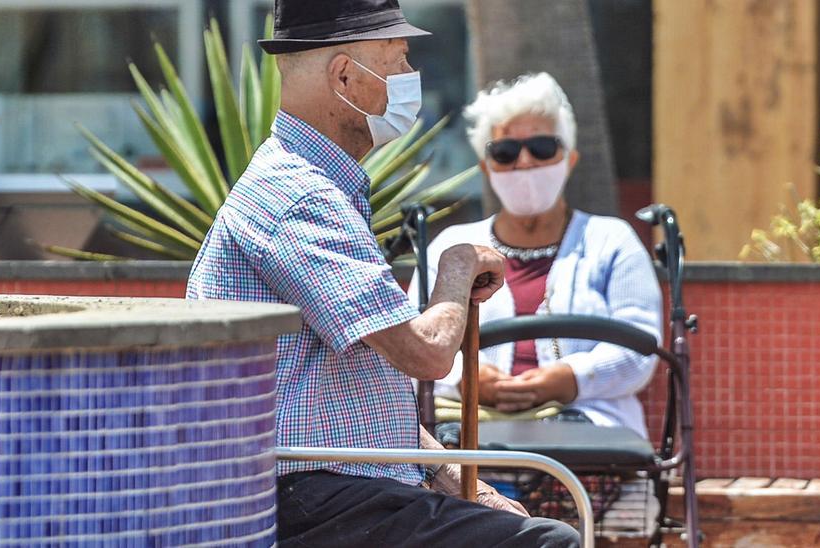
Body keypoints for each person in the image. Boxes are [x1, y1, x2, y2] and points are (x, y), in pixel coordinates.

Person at [185, 2, 580, 546]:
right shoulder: (299, 195)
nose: (409, 79)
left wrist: (470, 485)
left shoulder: (320, 187)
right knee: (549, 543)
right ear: (346, 76)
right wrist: (457, 269)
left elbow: (368, 405)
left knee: (524, 528)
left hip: (338, 485)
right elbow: (426, 354)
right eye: (399, 61)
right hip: (304, 494)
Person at [412, 72, 663, 441]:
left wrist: (568, 379)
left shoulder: (612, 240)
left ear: (569, 158)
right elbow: (415, 341)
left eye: (543, 148)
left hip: (591, 433)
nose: (525, 163)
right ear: (487, 167)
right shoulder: (453, 248)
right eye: (506, 152)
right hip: (470, 433)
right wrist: (468, 377)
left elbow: (641, 349)